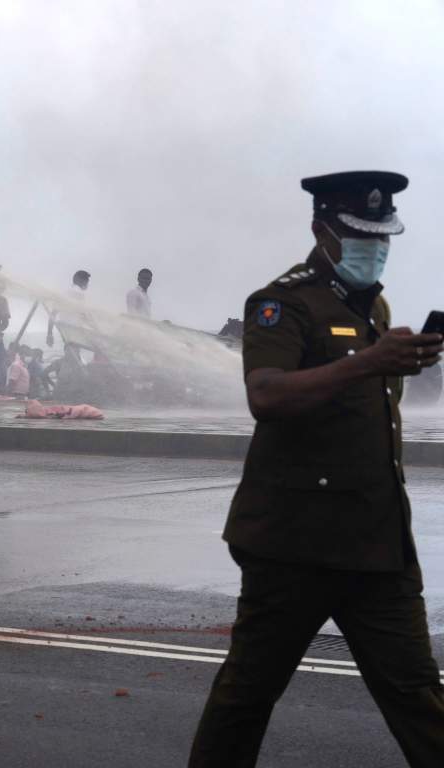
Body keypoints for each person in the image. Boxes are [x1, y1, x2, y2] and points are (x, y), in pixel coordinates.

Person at [188, 172, 444, 767]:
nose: (375, 247)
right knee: (247, 695)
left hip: (376, 543)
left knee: (417, 694)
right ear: (321, 230)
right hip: (293, 545)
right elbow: (268, 396)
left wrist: (398, 362)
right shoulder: (282, 304)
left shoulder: (372, 305)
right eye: (360, 235)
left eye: (383, 236)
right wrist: (368, 364)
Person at [47, 269, 90, 348]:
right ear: (81, 281)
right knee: (72, 351)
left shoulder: (65, 292)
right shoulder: (79, 294)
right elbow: (83, 315)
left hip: (65, 330)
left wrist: (49, 333)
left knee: (70, 350)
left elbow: (53, 313)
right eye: (87, 281)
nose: (87, 284)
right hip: (73, 331)